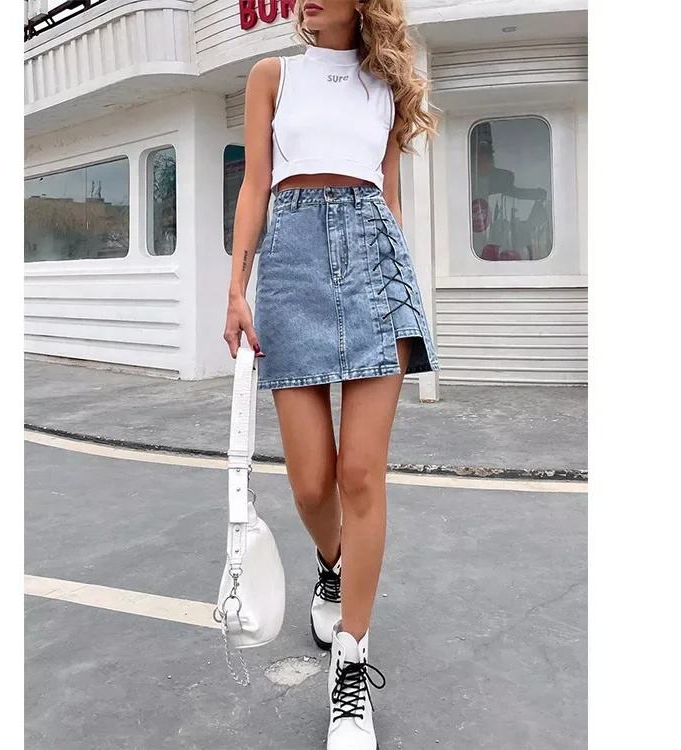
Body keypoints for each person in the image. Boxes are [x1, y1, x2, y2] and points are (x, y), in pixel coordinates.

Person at [223, 2, 440, 747]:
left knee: (361, 476)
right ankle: (333, 563)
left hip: (376, 268)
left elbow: (389, 198)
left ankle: (350, 661)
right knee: (312, 484)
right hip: (291, 273)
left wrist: (401, 288)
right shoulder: (272, 75)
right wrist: (237, 287)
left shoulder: (388, 87)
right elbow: (255, 186)